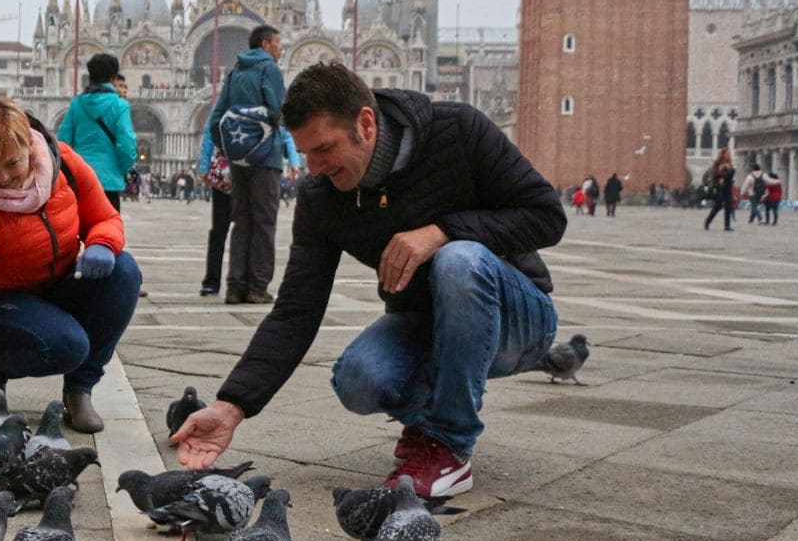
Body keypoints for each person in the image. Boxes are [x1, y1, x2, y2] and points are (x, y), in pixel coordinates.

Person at [171, 60, 565, 499]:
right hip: (427, 322)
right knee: (359, 378)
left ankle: (449, 446)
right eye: (305, 154)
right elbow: (297, 309)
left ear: (366, 122)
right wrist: (233, 405)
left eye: (324, 149)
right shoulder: (322, 198)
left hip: (519, 321)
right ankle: (430, 421)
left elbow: (547, 217)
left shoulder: (458, 129)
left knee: (460, 259)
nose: (314, 168)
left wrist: (442, 232)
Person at [0, 97, 141, 433]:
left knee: (124, 271)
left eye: (12, 163)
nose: (3, 177)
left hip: (56, 284)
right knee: (68, 346)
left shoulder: (63, 164)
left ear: (29, 145)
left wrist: (102, 242)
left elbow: (105, 217)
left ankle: (79, 390)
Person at [210, 25, 287, 305]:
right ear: (266, 44)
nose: (281, 48)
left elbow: (216, 117)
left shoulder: (235, 71)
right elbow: (279, 109)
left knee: (241, 221)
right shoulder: (270, 69)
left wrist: (229, 149)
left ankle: (234, 286)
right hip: (266, 158)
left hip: (239, 160)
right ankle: (257, 287)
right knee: (264, 222)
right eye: (278, 42)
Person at [59, 54, 137, 211]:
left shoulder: (77, 104)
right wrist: (124, 168)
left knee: (80, 231)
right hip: (109, 181)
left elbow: (63, 142)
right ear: (113, 78)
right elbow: (126, 144)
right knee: (108, 230)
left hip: (81, 178)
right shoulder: (120, 105)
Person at [196, 122, 232, 297]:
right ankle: (212, 280)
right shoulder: (225, 99)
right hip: (226, 174)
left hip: (254, 172)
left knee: (247, 231)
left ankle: (240, 282)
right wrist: (203, 167)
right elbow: (210, 130)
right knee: (220, 229)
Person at [703, 148, 735, 231]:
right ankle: (708, 220)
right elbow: (715, 174)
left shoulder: (730, 164)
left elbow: (731, 174)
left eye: (730, 153)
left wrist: (727, 172)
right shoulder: (717, 164)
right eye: (727, 153)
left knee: (728, 206)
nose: (729, 155)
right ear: (723, 154)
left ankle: (727, 226)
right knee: (719, 205)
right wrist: (726, 172)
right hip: (719, 187)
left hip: (727, 186)